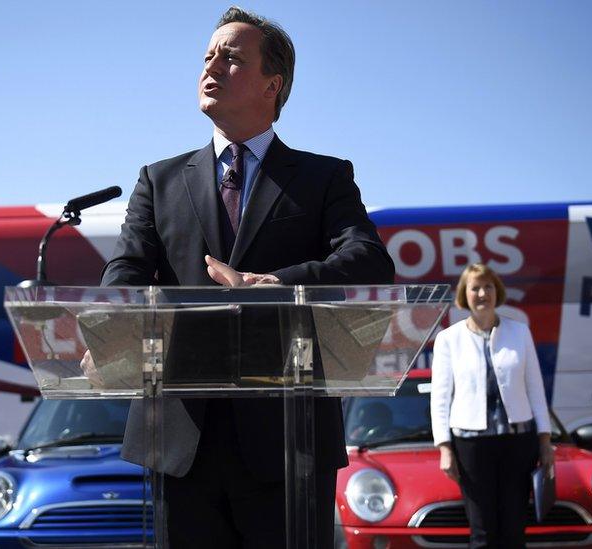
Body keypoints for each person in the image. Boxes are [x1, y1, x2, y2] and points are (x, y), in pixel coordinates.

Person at [99, 7, 395, 547]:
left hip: (287, 441)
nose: (211, 66)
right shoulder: (158, 179)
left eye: (231, 58)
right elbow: (126, 269)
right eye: (207, 56)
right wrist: (110, 319)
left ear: (272, 85)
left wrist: (279, 285)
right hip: (181, 437)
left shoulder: (323, 176)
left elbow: (370, 258)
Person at [430, 263, 553, 548]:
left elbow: (535, 389)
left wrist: (545, 442)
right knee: (482, 530)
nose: (482, 293)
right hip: (471, 446)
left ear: (497, 292)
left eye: (488, 287)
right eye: (475, 288)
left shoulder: (519, 332)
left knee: (513, 528)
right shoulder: (449, 339)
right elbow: (440, 396)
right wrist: (444, 448)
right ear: (465, 294)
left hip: (517, 442)